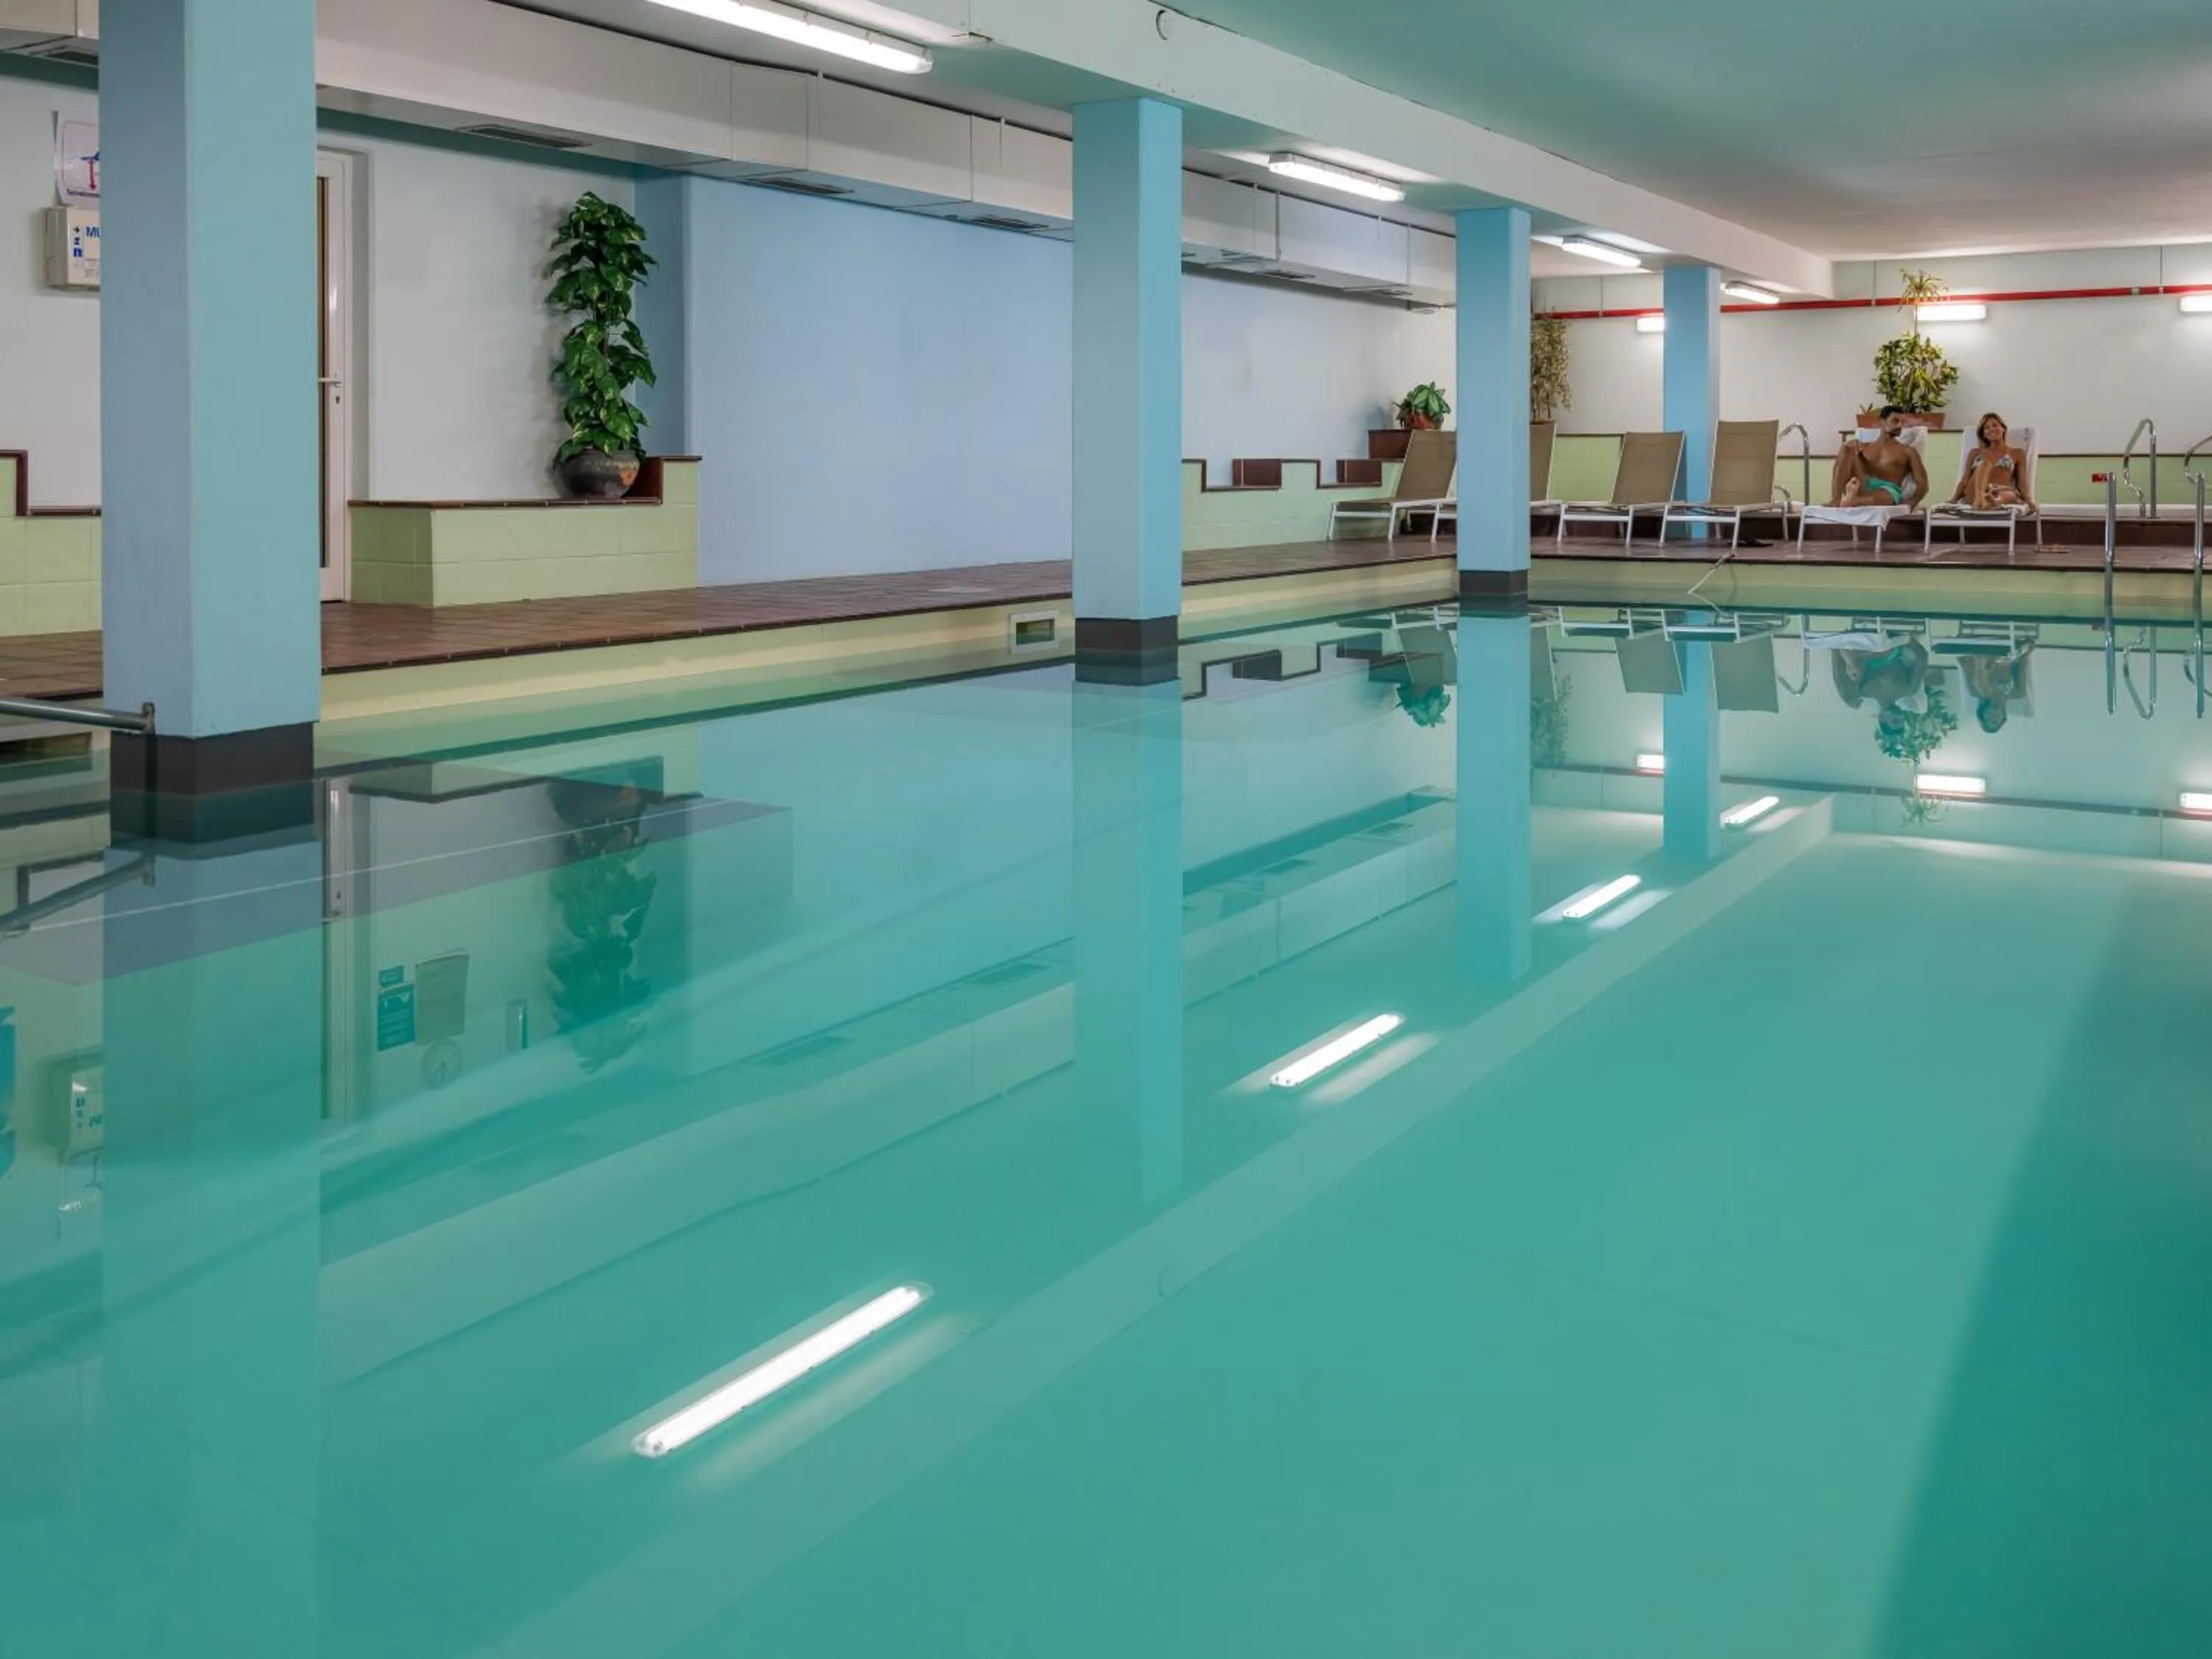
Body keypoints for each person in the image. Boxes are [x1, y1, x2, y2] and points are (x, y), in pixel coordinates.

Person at [1830, 406, 1930, 509]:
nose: (1900, 425)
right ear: (1882, 422)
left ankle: (1854, 500)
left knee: (1889, 496)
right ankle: (1836, 499)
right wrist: (1850, 444)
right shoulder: (1864, 447)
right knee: (1846, 448)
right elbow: (1848, 462)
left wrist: (1910, 504)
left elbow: (1923, 484)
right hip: (1862, 483)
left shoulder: (1908, 451)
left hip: (1887, 489)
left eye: (1902, 422)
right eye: (1895, 421)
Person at [1951, 411, 2035, 512]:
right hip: (1975, 493)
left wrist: (2029, 500)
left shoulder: (2017, 453)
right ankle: (1980, 499)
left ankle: (1993, 502)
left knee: (2012, 495)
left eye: (1995, 425)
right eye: (1986, 428)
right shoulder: (1975, 453)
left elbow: (2022, 483)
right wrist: (1953, 499)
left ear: (2003, 429)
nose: (1991, 429)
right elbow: (1964, 481)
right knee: (1985, 464)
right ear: (1984, 435)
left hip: (1999, 492)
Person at [1962, 644, 2033, 731]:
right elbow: (2023, 661)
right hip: (2009, 650)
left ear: (1983, 713)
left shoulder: (1975, 691)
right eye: (1995, 721)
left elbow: (1965, 662)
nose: (1992, 717)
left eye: (1987, 719)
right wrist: (2027, 650)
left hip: (1981, 649)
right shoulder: (2018, 693)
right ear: (2003, 718)